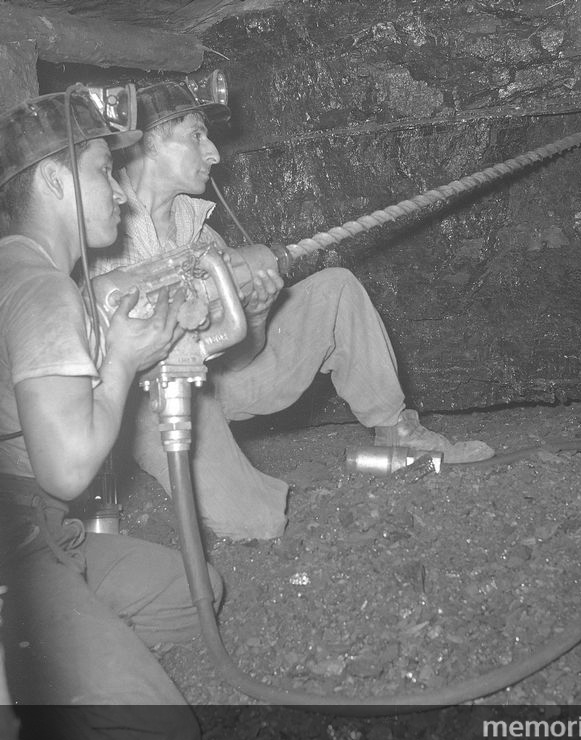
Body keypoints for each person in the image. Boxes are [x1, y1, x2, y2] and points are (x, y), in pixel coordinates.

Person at [92, 79, 495, 542]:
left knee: (335, 289)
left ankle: (396, 432)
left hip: (212, 385)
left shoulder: (200, 231)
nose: (215, 154)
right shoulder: (103, 228)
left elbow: (239, 356)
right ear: (150, 142)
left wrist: (257, 317)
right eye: (197, 136)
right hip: (146, 404)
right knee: (257, 522)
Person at [0, 89, 223, 740]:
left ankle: (67, 640)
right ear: (52, 178)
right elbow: (67, 470)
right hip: (15, 551)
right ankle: (50, 659)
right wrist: (125, 361)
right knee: (158, 733)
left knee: (196, 591)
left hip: (40, 536)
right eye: (101, 172)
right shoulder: (42, 290)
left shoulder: (20, 271)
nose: (120, 193)